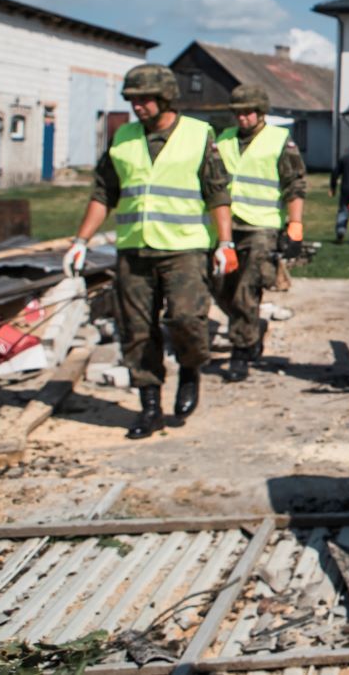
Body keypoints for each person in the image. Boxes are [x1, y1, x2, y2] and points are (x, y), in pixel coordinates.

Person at [63, 64, 235, 439]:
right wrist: (80, 241)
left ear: (165, 97)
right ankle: (150, 406)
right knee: (137, 331)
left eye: (145, 99)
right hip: (134, 250)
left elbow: (217, 193)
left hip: (184, 248)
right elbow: (102, 193)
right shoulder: (122, 137)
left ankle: (190, 370)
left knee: (187, 318)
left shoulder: (198, 134)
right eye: (133, 100)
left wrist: (225, 243)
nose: (138, 106)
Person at [212, 85, 306, 382]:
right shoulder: (223, 139)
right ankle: (252, 329)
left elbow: (295, 184)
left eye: (248, 112)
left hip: (260, 227)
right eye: (237, 112)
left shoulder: (279, 141)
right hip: (226, 225)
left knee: (246, 290)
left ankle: (240, 351)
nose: (242, 117)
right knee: (221, 289)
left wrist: (295, 225)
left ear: (261, 112)